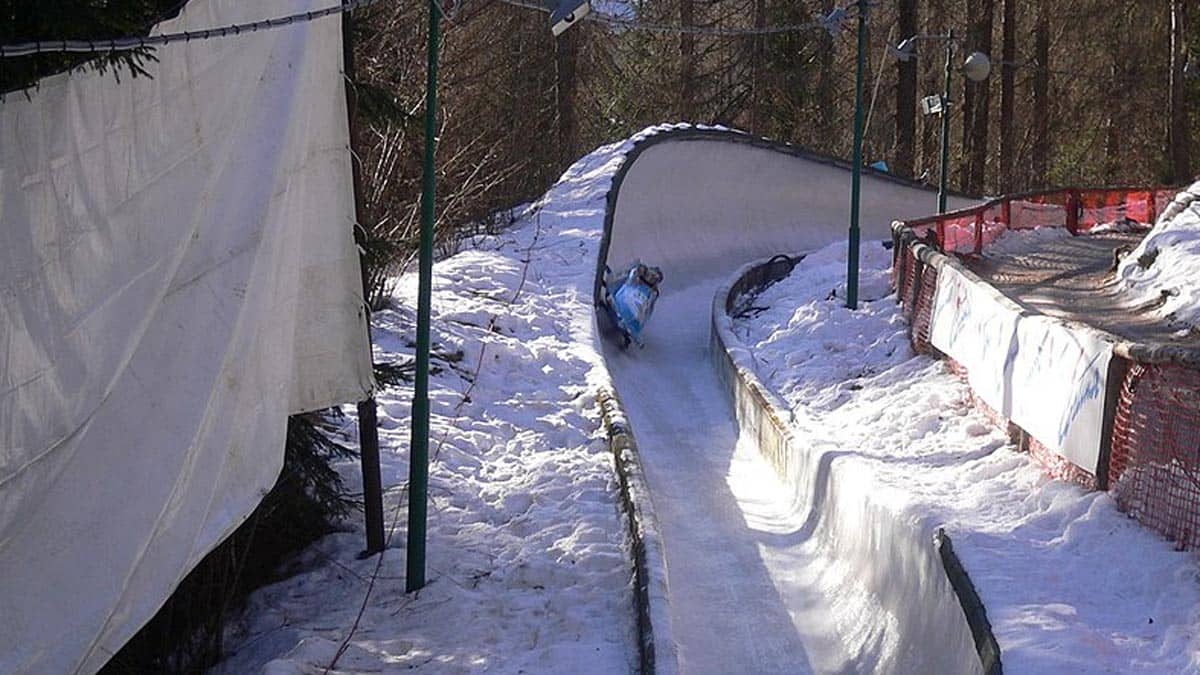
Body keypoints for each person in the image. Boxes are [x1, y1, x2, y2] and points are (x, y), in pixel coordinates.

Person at [604, 260, 664, 348]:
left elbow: (647, 310)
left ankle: (628, 322)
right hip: (622, 298)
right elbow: (629, 277)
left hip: (632, 313)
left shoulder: (652, 293)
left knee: (635, 302)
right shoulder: (636, 277)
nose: (651, 278)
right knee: (626, 289)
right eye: (650, 275)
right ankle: (621, 311)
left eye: (653, 278)